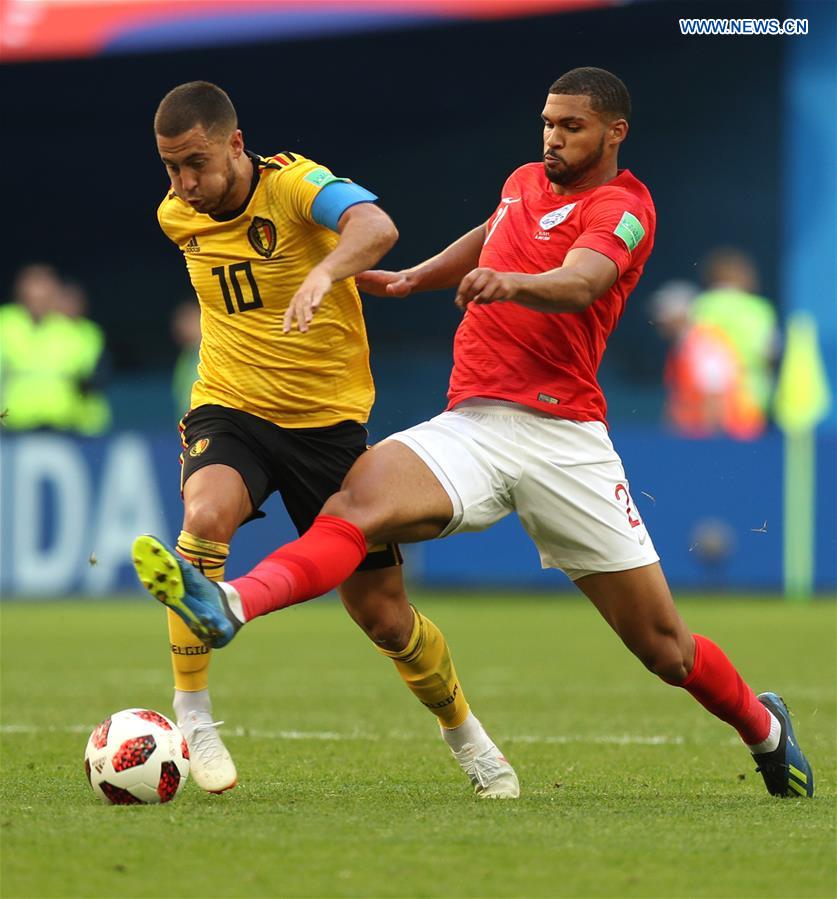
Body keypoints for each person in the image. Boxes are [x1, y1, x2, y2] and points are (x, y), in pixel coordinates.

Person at [135, 68, 813, 800]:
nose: (552, 137)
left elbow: (583, 279)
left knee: (665, 649)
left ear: (614, 132)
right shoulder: (523, 180)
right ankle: (233, 603)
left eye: (571, 127)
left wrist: (512, 283)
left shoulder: (625, 207)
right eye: (547, 123)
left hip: (565, 441)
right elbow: (495, 230)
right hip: (473, 424)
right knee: (352, 509)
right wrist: (410, 278)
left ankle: (763, 725)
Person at [133, 81, 517, 798]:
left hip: (328, 428)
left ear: (236, 145)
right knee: (203, 517)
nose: (184, 184)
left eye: (195, 163)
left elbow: (376, 227)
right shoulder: (176, 215)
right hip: (231, 407)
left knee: (383, 616)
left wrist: (324, 270)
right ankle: (193, 717)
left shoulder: (294, 184)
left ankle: (466, 735)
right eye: (169, 168)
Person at [651, 280, 761, 438]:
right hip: (702, 435)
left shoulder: (702, 344)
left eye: (666, 317)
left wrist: (711, 443)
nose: (661, 324)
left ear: (681, 316)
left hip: (728, 435)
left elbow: (715, 396)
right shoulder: (685, 345)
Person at [690, 248, 780, 437]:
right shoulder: (760, 309)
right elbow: (770, 352)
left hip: (708, 396)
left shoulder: (704, 305)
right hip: (752, 394)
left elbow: (698, 349)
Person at [170, 298, 201, 418]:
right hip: (192, 427)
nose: (180, 327)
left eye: (187, 320)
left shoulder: (215, 351)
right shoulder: (186, 356)